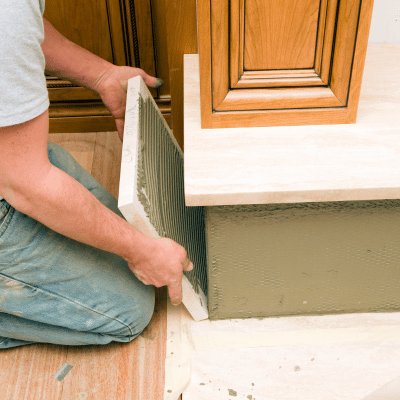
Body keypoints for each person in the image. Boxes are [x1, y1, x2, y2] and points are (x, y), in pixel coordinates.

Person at [0, 0, 192, 349]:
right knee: (127, 310)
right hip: (14, 180)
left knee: (122, 238)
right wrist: (141, 251)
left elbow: (22, 30)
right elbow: (27, 185)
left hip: (10, 165)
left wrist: (102, 74)